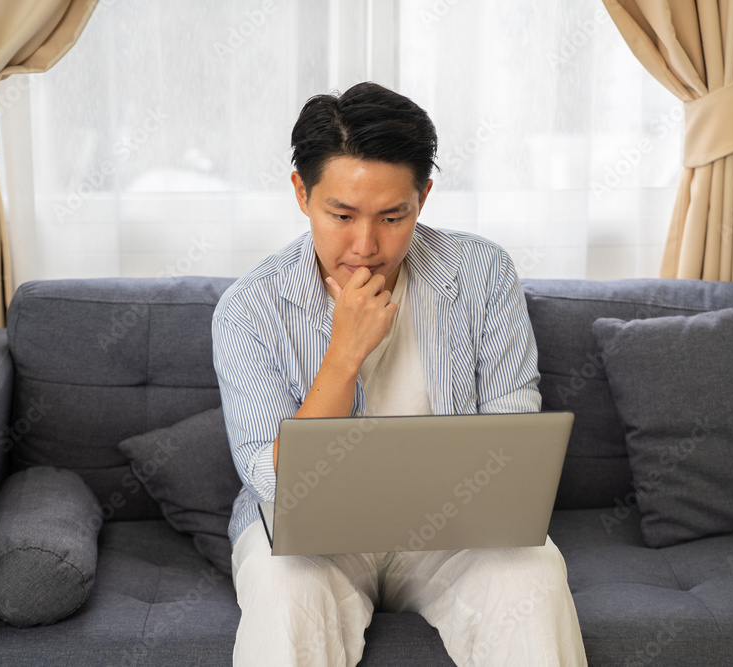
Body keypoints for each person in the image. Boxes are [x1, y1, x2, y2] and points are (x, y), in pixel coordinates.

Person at [212, 82, 586, 666]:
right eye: (341, 214)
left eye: (393, 216)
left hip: (455, 533)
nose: (366, 246)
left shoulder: (482, 275)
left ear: (424, 198)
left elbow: (513, 442)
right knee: (286, 588)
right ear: (300, 193)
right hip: (314, 545)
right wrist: (343, 354)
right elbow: (283, 491)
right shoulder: (249, 309)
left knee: (532, 570)